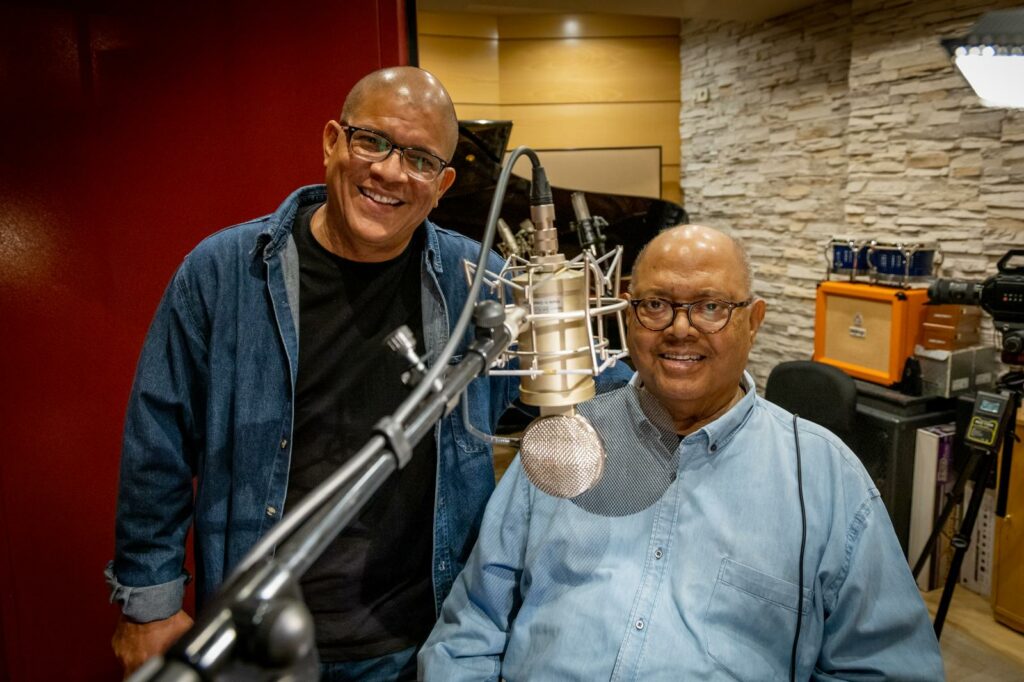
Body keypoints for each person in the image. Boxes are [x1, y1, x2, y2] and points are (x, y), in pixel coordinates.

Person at [106, 66, 631, 680]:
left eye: (420, 159)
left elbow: (601, 389)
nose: (390, 171)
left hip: (422, 640)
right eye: (373, 141)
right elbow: (158, 443)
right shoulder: (223, 272)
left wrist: (679, 363)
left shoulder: (480, 281)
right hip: (260, 641)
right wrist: (148, 607)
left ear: (442, 184)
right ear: (333, 141)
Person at [419, 224, 945, 681]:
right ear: (627, 315)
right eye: (655, 305)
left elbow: (885, 668)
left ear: (753, 321)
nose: (679, 328)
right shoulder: (563, 444)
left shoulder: (827, 480)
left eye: (711, 307)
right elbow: (471, 628)